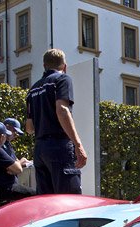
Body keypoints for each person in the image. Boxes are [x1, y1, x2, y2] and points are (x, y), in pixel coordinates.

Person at [26, 49, 87, 195]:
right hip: (59, 146)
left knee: (47, 201)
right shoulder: (62, 79)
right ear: (64, 66)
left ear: (44, 65)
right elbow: (63, 110)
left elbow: (29, 127)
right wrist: (78, 145)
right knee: (69, 200)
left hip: (40, 148)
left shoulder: (33, 89)